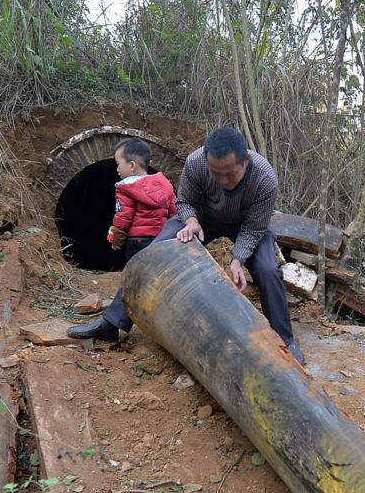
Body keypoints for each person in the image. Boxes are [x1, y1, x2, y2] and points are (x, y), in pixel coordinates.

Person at [68, 126, 304, 364]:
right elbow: (185, 202)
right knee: (154, 252)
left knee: (267, 270)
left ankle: (285, 340)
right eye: (216, 173)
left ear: (246, 160)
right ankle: (111, 323)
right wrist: (191, 221)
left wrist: (237, 259)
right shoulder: (196, 162)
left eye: (230, 174)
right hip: (202, 218)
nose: (223, 181)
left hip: (247, 224)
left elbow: (254, 229)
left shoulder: (265, 179)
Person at [103, 137, 176, 255]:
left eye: (118, 164)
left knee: (138, 268)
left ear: (132, 165)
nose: (117, 169)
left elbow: (123, 217)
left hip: (137, 242)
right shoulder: (165, 185)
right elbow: (174, 214)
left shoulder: (126, 188)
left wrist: (116, 241)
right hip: (162, 239)